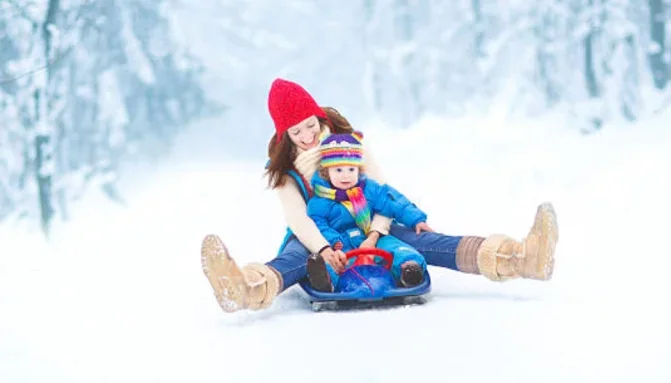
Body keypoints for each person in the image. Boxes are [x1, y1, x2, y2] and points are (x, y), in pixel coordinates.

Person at [200, 78, 559, 313]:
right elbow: (299, 218)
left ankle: (520, 258)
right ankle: (244, 288)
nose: (308, 135)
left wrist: (378, 231)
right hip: (319, 235)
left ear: (317, 115)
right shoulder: (284, 171)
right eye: (298, 132)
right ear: (285, 135)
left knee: (431, 242)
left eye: (311, 124)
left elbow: (381, 191)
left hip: (371, 223)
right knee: (294, 260)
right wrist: (325, 248)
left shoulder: (351, 144)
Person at [304, 131, 431, 292]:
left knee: (395, 247)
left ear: (359, 170)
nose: (346, 176)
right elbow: (318, 224)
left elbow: (392, 201)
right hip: (341, 244)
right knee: (333, 262)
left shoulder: (369, 189)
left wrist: (416, 218)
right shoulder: (320, 201)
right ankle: (324, 279)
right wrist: (334, 243)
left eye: (351, 169)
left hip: (370, 236)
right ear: (326, 172)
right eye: (338, 170)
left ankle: (409, 270)